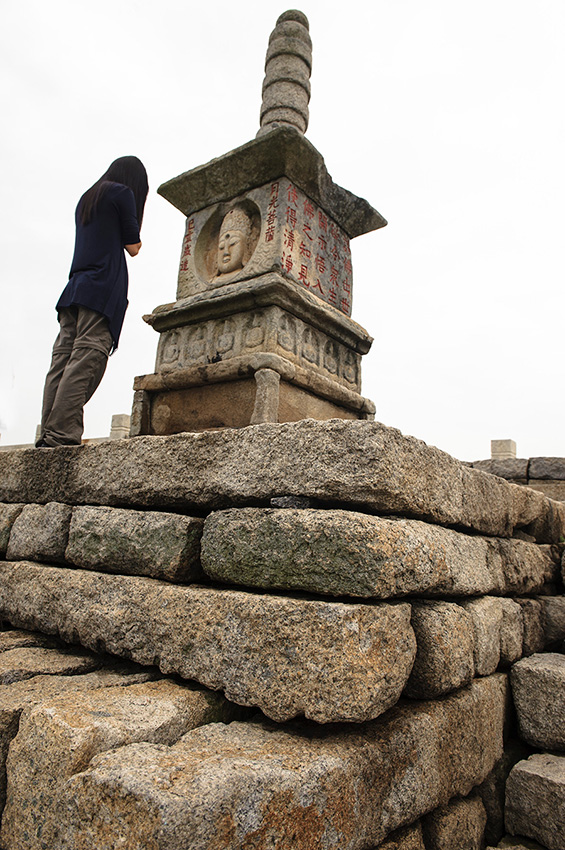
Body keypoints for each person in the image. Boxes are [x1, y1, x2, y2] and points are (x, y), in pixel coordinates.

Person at [36, 156, 148, 447]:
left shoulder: (87, 197)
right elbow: (133, 246)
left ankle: (49, 432)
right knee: (88, 356)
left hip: (74, 288)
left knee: (61, 359)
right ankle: (62, 434)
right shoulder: (121, 193)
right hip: (102, 286)